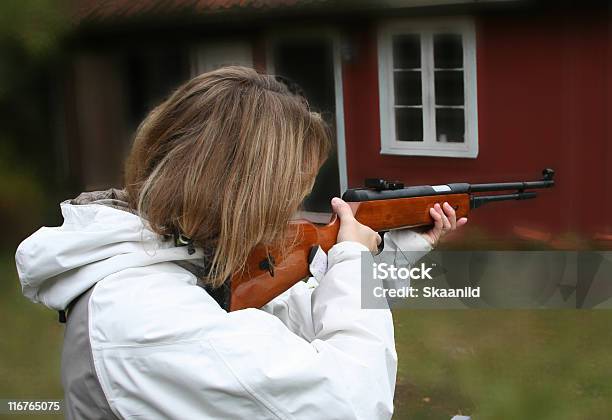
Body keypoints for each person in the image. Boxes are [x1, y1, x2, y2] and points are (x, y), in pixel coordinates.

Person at [15, 66, 466, 419]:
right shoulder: (144, 316)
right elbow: (352, 402)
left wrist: (393, 255)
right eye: (289, 189)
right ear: (240, 191)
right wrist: (350, 258)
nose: (292, 207)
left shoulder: (172, 264)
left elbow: (296, 322)